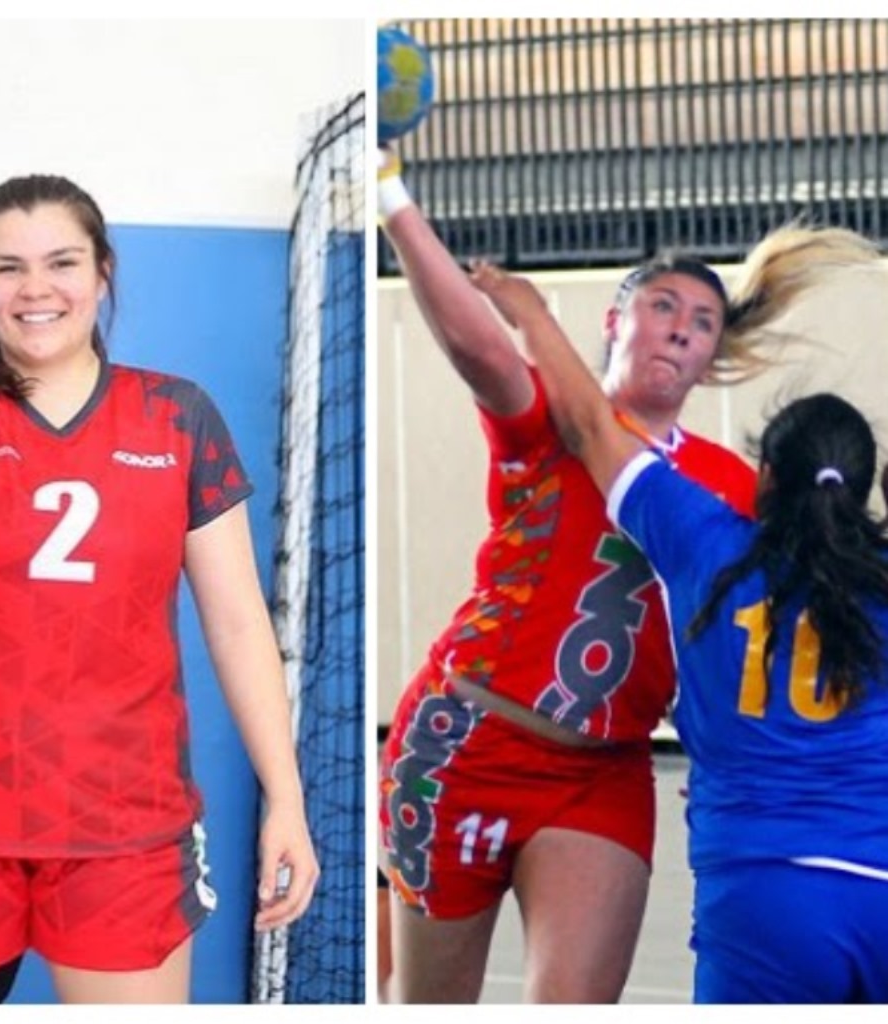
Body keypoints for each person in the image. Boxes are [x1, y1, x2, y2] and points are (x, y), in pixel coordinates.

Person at [0, 174, 318, 1004]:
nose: (35, 288)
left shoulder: (176, 416)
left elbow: (236, 623)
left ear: (103, 272)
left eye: (62, 262)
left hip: (125, 827)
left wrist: (285, 799)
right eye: (7, 267)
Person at [376, 149, 760, 1003]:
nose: (681, 328)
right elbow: (476, 345)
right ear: (615, 321)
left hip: (601, 772)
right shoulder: (548, 418)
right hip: (466, 741)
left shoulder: (732, 486)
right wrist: (391, 198)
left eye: (702, 322)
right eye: (662, 305)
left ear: (709, 358)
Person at [470, 231, 888, 1003]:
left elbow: (590, 425)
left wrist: (529, 313)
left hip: (764, 892)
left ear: (764, 479)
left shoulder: (704, 540)